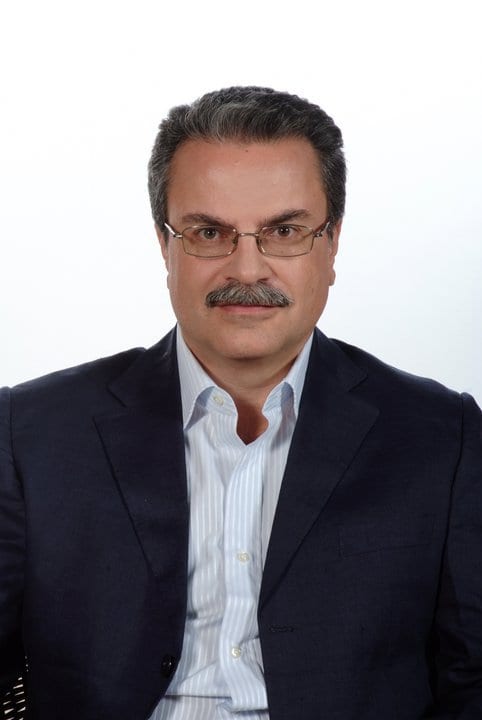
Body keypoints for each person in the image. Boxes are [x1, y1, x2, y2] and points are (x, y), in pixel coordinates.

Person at [1, 86, 481, 720]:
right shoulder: (32, 433)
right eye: (209, 232)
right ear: (165, 244)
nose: (247, 269)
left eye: (284, 231)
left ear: (332, 244)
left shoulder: (442, 437)